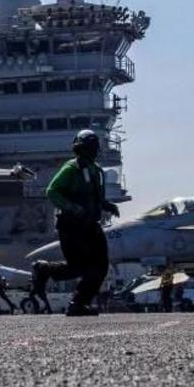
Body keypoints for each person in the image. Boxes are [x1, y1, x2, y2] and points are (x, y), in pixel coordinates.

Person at [31, 130, 118, 317]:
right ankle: (44, 269)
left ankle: (78, 304)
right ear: (80, 149)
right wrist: (73, 208)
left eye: (94, 147)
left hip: (90, 224)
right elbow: (52, 191)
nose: (93, 151)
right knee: (78, 267)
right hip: (71, 225)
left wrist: (107, 205)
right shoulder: (71, 168)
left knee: (101, 267)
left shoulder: (96, 170)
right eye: (89, 148)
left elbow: (95, 196)